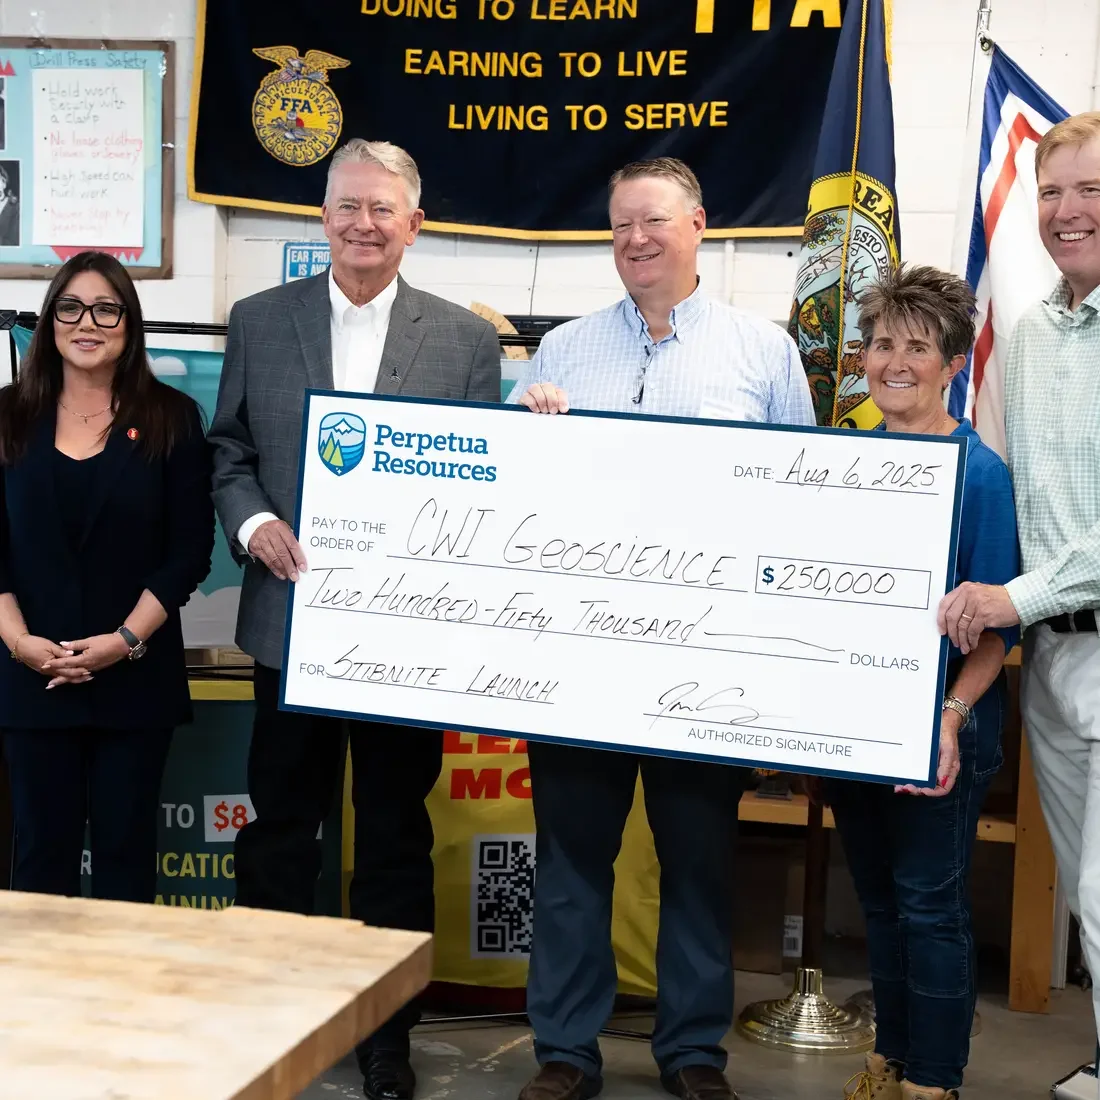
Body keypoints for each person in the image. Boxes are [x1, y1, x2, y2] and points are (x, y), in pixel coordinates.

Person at [508, 157, 814, 1100]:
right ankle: (565, 1051)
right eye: (620, 227)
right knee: (568, 865)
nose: (636, 240)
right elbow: (511, 496)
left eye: (654, 222)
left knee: (697, 864)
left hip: (704, 663)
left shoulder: (764, 352)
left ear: (698, 226)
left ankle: (692, 1054)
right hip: (582, 660)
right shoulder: (560, 351)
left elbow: (800, 495)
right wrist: (523, 424)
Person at [208, 138, 501, 1100]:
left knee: (392, 835)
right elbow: (230, 450)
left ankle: (384, 1033)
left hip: (402, 644)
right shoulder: (259, 320)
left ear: (415, 224)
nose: (363, 224)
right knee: (281, 828)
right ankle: (278, 1016)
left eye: (382, 208)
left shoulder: (464, 342)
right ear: (321, 219)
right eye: (345, 207)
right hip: (289, 627)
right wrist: (253, 524)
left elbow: (484, 484)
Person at [826, 265, 1018, 1100]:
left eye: (916, 347)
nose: (893, 362)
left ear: (950, 366)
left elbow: (1000, 630)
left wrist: (948, 717)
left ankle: (933, 1081)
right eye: (879, 345)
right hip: (855, 720)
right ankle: (889, 1057)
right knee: (877, 903)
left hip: (944, 722)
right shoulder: (839, 462)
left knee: (930, 906)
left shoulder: (978, 473)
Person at [938, 110, 1100, 1055]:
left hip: (1069, 630)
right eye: (1051, 193)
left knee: (1098, 890)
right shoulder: (1032, 338)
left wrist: (1011, 600)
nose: (1067, 211)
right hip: (1050, 661)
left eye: (1090, 190)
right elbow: (1018, 499)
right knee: (1083, 879)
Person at [0, 250, 213, 902]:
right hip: (29, 673)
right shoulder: (7, 414)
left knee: (125, 854)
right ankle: (36, 1004)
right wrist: (17, 643)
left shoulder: (172, 418)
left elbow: (189, 552)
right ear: (49, 320)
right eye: (69, 307)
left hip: (135, 678)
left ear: (129, 323)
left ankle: (124, 1004)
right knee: (40, 854)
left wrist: (125, 641)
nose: (85, 322)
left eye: (105, 308)